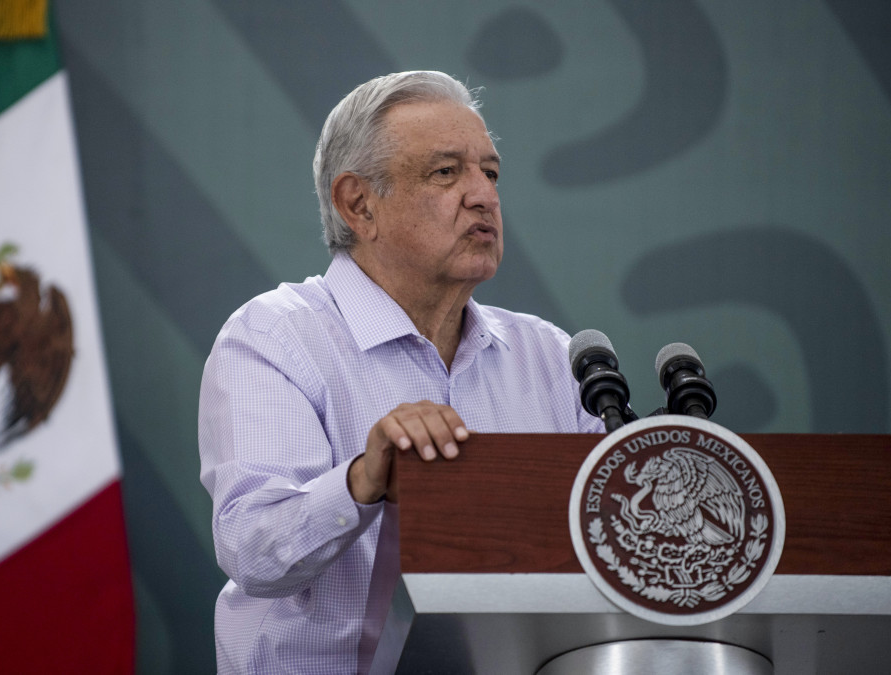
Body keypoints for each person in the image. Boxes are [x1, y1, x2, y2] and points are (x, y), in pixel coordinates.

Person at [199, 70, 604, 673]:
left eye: (490, 173)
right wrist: (363, 480)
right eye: (446, 172)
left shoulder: (550, 356)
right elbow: (252, 548)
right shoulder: (275, 337)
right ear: (359, 204)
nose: (484, 195)